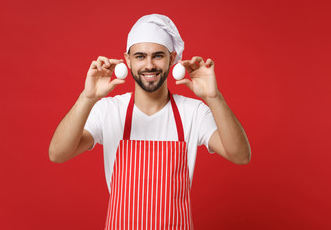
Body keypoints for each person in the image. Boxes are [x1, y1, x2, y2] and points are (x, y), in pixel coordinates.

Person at [49, 14, 251, 229]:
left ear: (172, 58)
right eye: (140, 56)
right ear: (127, 60)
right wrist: (87, 97)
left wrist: (214, 97)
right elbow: (58, 154)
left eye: (157, 56)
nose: (149, 65)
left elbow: (241, 156)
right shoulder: (108, 110)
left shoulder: (193, 112)